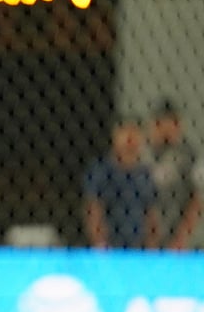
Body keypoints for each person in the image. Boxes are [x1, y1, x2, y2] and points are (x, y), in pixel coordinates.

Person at [84, 116, 157, 249]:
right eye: (125, 132)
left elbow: (150, 213)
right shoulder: (101, 170)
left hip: (138, 247)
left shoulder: (145, 173)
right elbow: (94, 209)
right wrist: (100, 244)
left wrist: (151, 248)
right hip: (109, 246)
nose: (130, 139)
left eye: (134, 132)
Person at [146, 99, 202, 250]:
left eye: (171, 124)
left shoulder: (187, 156)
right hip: (143, 236)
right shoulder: (142, 155)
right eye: (159, 124)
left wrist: (181, 237)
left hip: (179, 235)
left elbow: (197, 200)